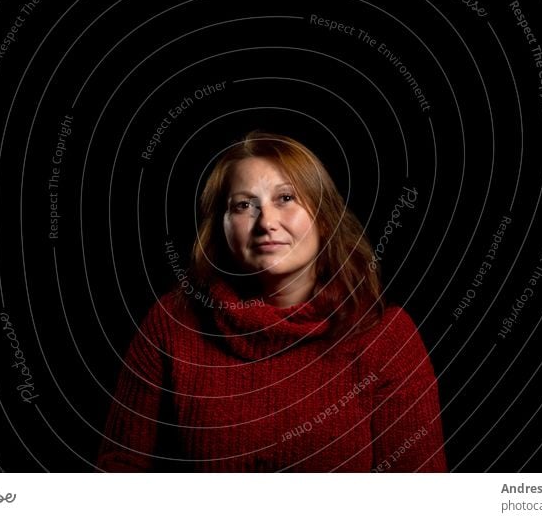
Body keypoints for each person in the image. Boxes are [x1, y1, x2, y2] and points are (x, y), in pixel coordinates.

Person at [97, 131, 447, 472]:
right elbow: (119, 472)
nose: (266, 222)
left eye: (286, 198)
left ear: (325, 219)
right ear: (221, 227)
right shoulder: (172, 323)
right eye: (244, 205)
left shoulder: (385, 336)